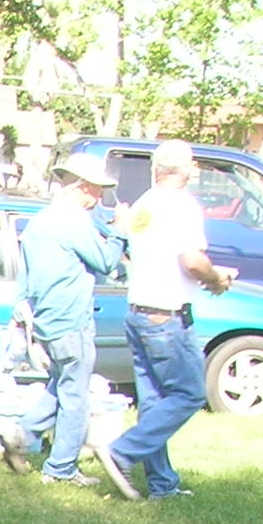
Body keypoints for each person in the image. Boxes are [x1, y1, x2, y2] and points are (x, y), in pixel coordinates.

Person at [104, 141, 236, 502]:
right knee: (189, 394)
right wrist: (215, 279)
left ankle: (162, 484)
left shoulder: (144, 205)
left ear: (155, 168)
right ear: (189, 169)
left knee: (154, 402)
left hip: (138, 312)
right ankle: (122, 452)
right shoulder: (182, 206)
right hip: (167, 315)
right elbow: (191, 260)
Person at [3, 152, 123, 487]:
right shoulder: (75, 221)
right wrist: (120, 232)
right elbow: (105, 262)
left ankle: (22, 433)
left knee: (62, 383)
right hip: (72, 319)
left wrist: (22, 317)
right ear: (83, 188)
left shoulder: (41, 220)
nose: (100, 197)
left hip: (45, 319)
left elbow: (25, 278)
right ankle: (61, 468)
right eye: (98, 190)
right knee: (76, 397)